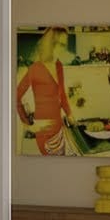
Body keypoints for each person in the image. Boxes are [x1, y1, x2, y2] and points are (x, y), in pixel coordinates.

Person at [16, 27, 74, 155]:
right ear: (50, 44)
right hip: (44, 132)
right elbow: (15, 96)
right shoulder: (36, 68)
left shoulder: (59, 66)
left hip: (59, 129)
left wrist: (69, 114)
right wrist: (28, 125)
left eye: (65, 45)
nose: (64, 49)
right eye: (61, 44)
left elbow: (62, 95)